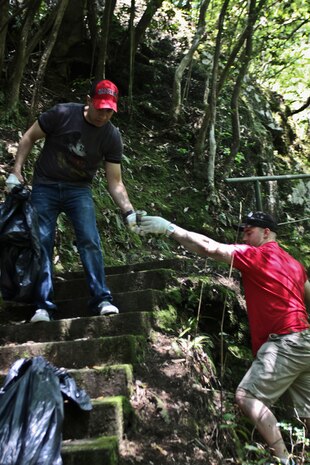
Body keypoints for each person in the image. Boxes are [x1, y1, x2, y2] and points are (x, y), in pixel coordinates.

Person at [139, 211, 310, 465]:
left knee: (247, 397)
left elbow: (210, 247)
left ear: (266, 232)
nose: (243, 236)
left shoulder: (258, 255)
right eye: (243, 231)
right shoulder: (294, 263)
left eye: (249, 231)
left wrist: (169, 229)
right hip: (305, 341)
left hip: (285, 342)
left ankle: (285, 460)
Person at [6, 79, 140, 323]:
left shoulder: (111, 136)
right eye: (100, 108)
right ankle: (43, 306)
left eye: (110, 110)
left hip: (78, 190)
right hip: (45, 186)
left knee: (89, 239)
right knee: (42, 242)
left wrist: (128, 210)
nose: (104, 115)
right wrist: (17, 170)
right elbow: (28, 138)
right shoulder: (62, 114)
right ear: (89, 101)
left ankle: (102, 299)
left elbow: (115, 181)